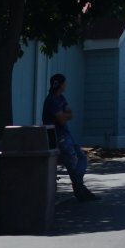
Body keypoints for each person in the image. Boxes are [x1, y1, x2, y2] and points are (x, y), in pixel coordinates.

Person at [42, 72, 94, 203]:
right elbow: (62, 119)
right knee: (72, 164)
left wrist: (64, 115)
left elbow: (70, 114)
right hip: (58, 136)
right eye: (64, 83)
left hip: (66, 134)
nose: (66, 85)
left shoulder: (61, 98)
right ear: (60, 84)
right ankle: (80, 190)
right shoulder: (52, 100)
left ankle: (79, 186)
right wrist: (64, 115)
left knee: (81, 157)